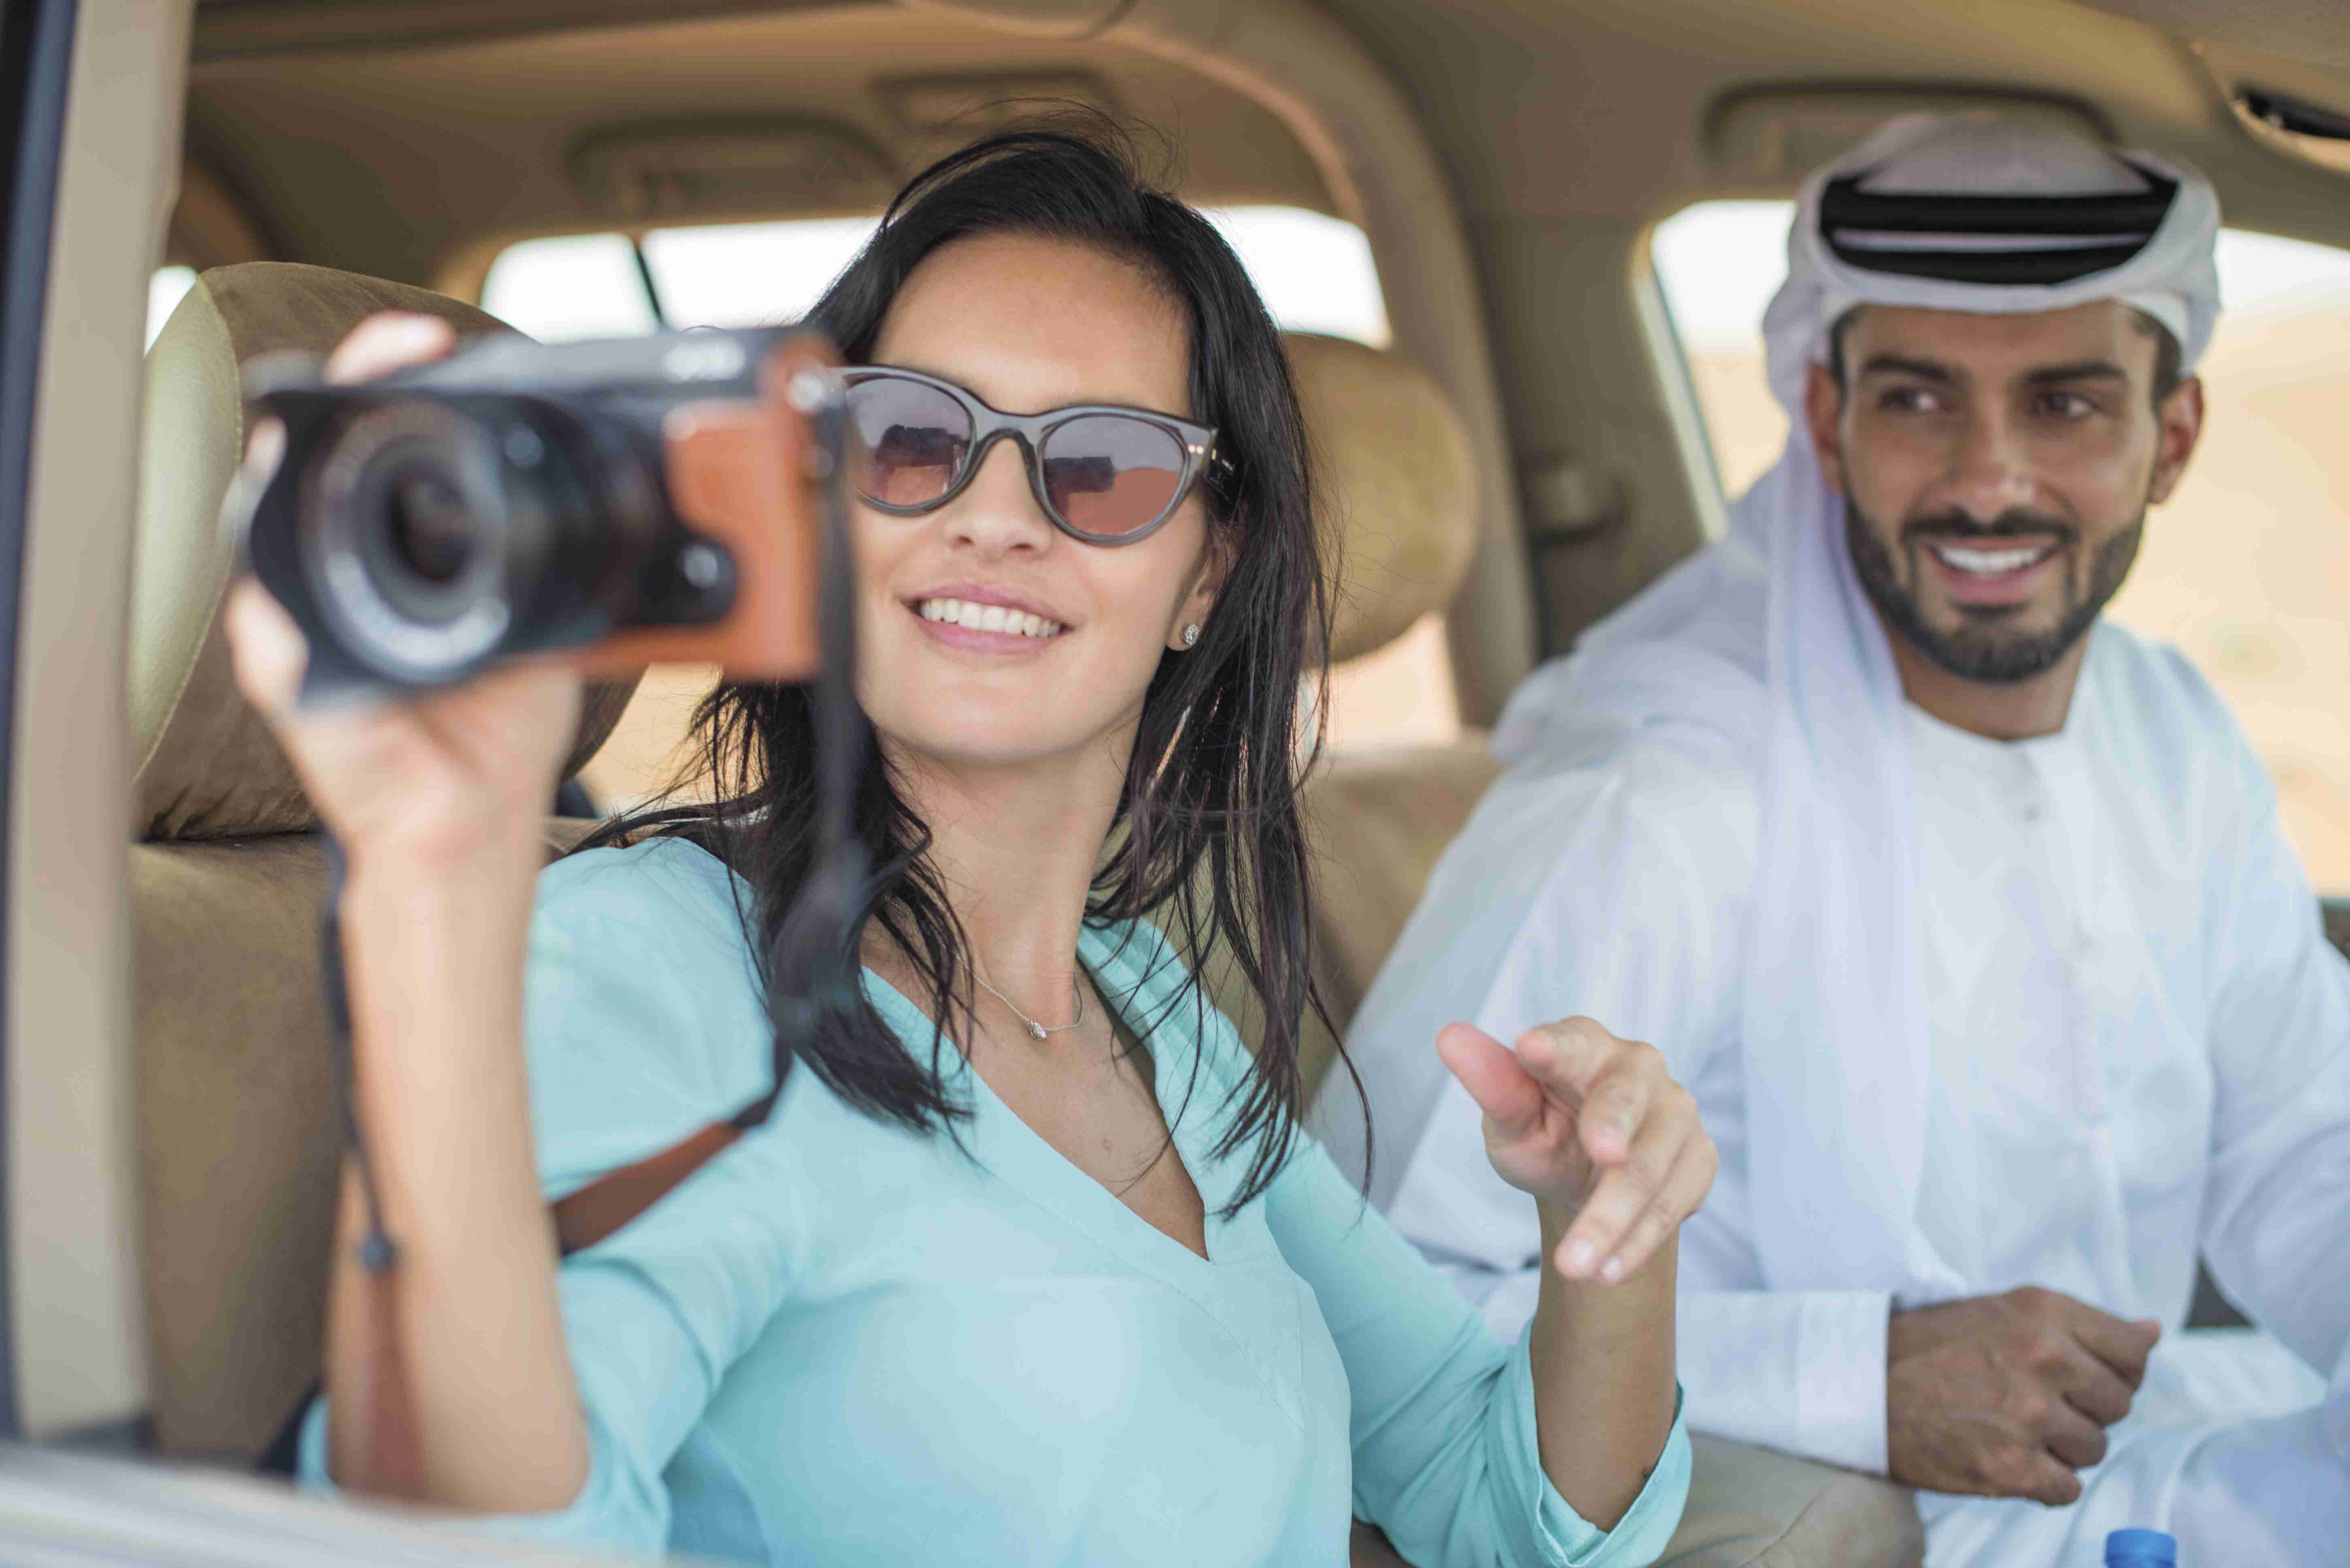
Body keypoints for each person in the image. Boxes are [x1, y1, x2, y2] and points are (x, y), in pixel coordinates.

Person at [227, 127, 1709, 1566]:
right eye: (907, 435)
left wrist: (1609, 1235)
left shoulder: (1142, 1007)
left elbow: (1500, 1506)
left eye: (1107, 465)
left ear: (1211, 571)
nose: (995, 516)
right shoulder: (640, 962)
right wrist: (432, 878)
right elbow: (477, 1545)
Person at [1318, 113, 2350, 1566]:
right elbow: (1379, 1310)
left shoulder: (2172, 728)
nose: (1990, 481)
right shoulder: (1666, 789)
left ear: (2171, 437)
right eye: (1920, 401)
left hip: (2141, 1449)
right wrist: (1854, 1374)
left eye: (2066, 405)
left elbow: (2306, 1145)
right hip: (1867, 1514)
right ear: (1826, 418)